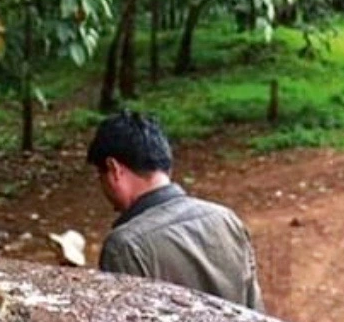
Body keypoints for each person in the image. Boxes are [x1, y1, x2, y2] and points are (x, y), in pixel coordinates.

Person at [87, 111, 264, 311]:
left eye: (100, 175)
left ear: (114, 169)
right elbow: (257, 316)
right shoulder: (226, 219)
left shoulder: (125, 247)